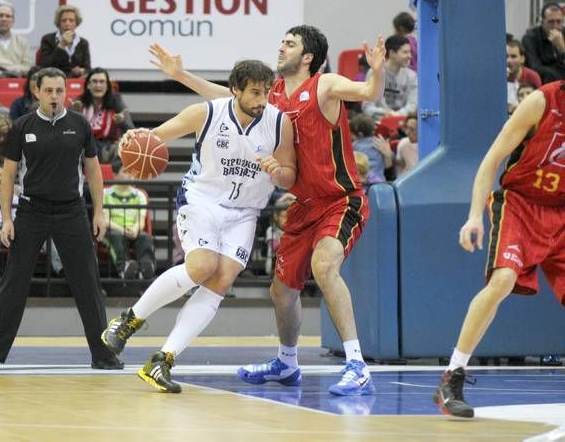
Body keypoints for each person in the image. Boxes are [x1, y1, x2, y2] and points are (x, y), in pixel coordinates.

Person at [148, 25, 386, 396]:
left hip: (342, 200)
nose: (281, 47)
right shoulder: (273, 94)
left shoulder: (324, 86)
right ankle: (287, 363)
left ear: (307, 57)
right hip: (303, 205)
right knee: (281, 291)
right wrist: (180, 75)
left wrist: (377, 70)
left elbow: (369, 92)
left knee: (324, 266)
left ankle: (356, 364)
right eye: (282, 41)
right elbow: (227, 98)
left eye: (290, 44)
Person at [101, 59, 296, 393]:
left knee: (221, 280)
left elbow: (290, 174)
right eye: (254, 92)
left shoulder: (280, 123)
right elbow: (151, 139)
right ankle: (129, 319)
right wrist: (132, 144)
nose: (261, 99)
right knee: (203, 265)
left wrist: (278, 170)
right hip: (202, 200)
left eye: (265, 92)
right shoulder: (205, 113)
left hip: (246, 211)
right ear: (235, 90)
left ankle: (162, 360)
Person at [434, 79, 565, 418]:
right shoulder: (541, 102)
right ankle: (453, 376)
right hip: (521, 204)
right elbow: (491, 160)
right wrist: (474, 215)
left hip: (561, 210)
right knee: (503, 280)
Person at [0, 67, 122, 371]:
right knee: (14, 282)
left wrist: (99, 211)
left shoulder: (80, 124)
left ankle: (103, 353)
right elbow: (7, 175)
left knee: (88, 282)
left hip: (71, 211)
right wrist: (6, 218)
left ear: (66, 91)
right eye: (49, 91)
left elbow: (93, 170)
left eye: (60, 90)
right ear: (37, 91)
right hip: (32, 211)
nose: (54, 96)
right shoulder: (22, 126)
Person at [103, 158, 156, 280]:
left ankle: (146, 268)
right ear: (115, 175)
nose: (130, 175)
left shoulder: (140, 195)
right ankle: (124, 269)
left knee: (144, 237)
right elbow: (105, 220)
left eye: (132, 172)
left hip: (133, 229)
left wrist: (135, 229)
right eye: (126, 171)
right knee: (116, 237)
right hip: (113, 229)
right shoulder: (105, 193)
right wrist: (122, 229)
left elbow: (141, 221)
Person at [70, 67, 133, 162]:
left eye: (102, 82)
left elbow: (132, 131)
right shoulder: (79, 102)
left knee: (126, 150)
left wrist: (121, 122)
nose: (98, 85)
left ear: (107, 86)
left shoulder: (116, 100)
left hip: (108, 149)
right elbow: (65, 130)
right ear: (88, 85)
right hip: (83, 148)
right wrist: (75, 114)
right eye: (94, 81)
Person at [362, 34, 417, 120]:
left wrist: (396, 115)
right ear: (392, 53)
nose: (409, 56)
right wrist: (386, 114)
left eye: (409, 52)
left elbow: (413, 105)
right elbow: (367, 106)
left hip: (403, 122)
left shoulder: (412, 76)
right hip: (378, 121)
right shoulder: (374, 72)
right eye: (405, 52)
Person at [38, 5, 90, 78]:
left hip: (76, 81)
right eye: (64, 20)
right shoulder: (48, 39)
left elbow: (87, 68)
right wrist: (61, 45)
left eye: (71, 20)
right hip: (54, 79)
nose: (67, 24)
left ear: (76, 23)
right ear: (58, 23)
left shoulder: (83, 42)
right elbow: (45, 66)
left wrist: (81, 70)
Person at [521, 3, 565, 84]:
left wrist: (562, 49)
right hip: (543, 83)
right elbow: (534, 66)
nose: (555, 26)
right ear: (543, 22)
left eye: (558, 22)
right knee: (548, 74)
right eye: (551, 22)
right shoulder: (530, 38)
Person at [507, 39, 542, 113]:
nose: (509, 61)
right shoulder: (497, 79)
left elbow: (539, 104)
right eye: (506, 56)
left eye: (513, 57)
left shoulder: (533, 76)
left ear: (522, 59)